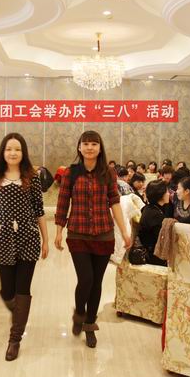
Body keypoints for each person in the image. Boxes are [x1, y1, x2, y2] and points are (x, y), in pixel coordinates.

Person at [55, 130, 131, 349]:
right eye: (85, 144)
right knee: (86, 279)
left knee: (96, 282)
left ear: (100, 148)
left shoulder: (108, 172)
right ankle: (79, 313)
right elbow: (63, 202)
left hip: (103, 234)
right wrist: (59, 231)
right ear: (79, 147)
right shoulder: (71, 173)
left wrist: (124, 231)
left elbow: (114, 202)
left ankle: (89, 324)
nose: (89, 147)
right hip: (78, 233)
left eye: (94, 144)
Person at [0, 133, 48, 361]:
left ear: (23, 152)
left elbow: (39, 210)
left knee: (23, 290)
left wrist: (46, 240)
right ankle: (18, 311)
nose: (13, 153)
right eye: (9, 149)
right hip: (3, 238)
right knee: (7, 292)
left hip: (28, 237)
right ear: (3, 151)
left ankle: (15, 339)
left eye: (17, 149)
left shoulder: (32, 177)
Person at [139, 180, 173, 265]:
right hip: (153, 256)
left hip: (154, 251)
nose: (169, 194)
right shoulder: (155, 215)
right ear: (160, 195)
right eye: (167, 192)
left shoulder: (151, 208)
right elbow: (162, 239)